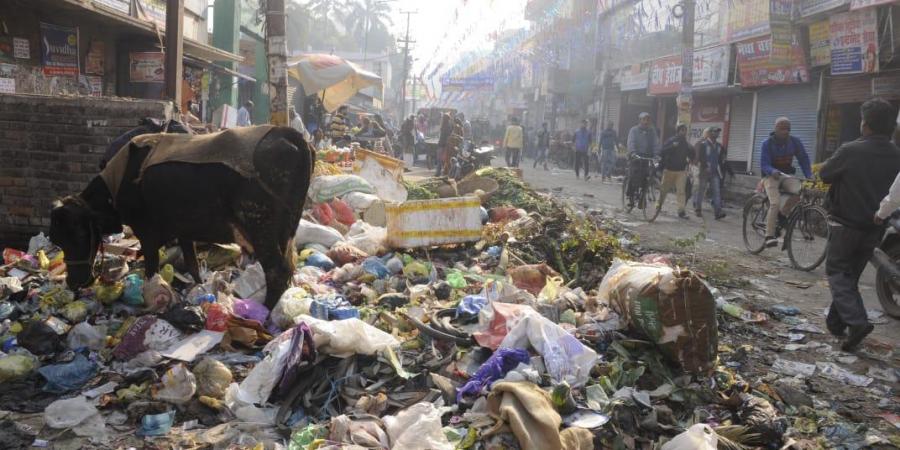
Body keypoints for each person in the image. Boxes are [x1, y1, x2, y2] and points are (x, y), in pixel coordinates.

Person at [820, 98, 900, 351]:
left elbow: (824, 174)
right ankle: (836, 323)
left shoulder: (851, 149)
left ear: (866, 124)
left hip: (845, 224)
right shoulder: (896, 155)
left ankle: (857, 323)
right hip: (875, 227)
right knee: (849, 275)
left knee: (837, 272)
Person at [760, 117, 813, 247]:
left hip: (786, 176)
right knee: (775, 203)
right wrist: (772, 171)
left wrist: (809, 175)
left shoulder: (795, 142)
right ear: (776, 129)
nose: (785, 131)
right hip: (770, 176)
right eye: (782, 129)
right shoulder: (767, 143)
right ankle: (769, 236)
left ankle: (782, 216)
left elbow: (803, 159)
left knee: (800, 190)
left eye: (787, 129)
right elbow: (764, 164)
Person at [655, 124, 693, 220]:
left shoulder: (686, 143)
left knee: (681, 192)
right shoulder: (671, 141)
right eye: (682, 130)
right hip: (669, 170)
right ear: (678, 131)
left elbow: (691, 154)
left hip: (681, 171)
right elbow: (662, 151)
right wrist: (672, 146)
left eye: (685, 130)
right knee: (664, 190)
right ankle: (658, 205)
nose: (684, 132)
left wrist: (690, 158)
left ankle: (681, 211)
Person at [626, 112, 660, 207]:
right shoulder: (634, 130)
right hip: (636, 156)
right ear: (640, 120)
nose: (646, 121)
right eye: (644, 119)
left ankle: (642, 197)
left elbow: (656, 143)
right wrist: (632, 153)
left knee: (647, 176)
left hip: (647, 157)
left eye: (648, 119)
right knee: (634, 176)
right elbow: (631, 142)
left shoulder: (652, 131)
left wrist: (657, 154)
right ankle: (631, 196)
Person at [694, 126, 728, 220]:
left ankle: (718, 212)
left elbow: (722, 157)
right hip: (704, 171)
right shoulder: (703, 144)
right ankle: (698, 209)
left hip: (715, 172)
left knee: (716, 192)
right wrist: (705, 166)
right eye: (715, 132)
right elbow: (700, 157)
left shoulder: (719, 146)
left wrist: (722, 162)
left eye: (718, 132)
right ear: (710, 133)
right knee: (701, 190)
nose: (717, 133)